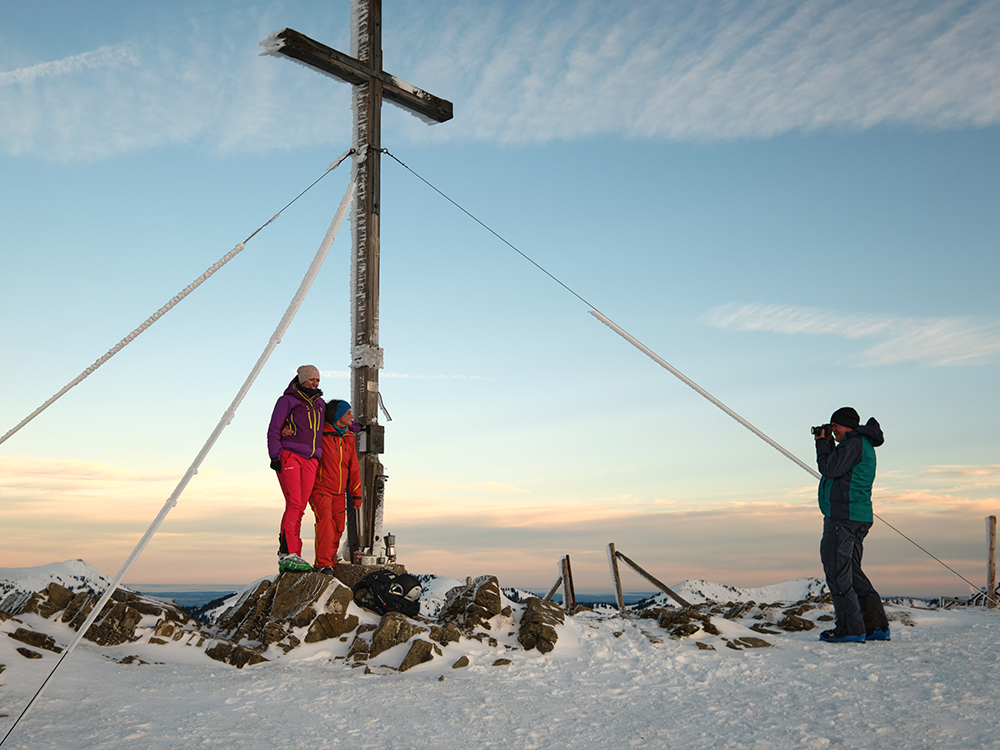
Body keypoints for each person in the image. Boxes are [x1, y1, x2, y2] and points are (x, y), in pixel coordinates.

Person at [814, 406, 891, 643]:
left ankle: (850, 628)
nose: (832, 430)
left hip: (843, 517)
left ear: (845, 425)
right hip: (856, 516)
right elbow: (839, 468)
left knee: (838, 571)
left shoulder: (854, 443)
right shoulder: (859, 444)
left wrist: (822, 443)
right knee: (852, 572)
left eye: (834, 426)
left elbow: (829, 468)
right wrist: (830, 443)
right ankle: (874, 625)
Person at [267, 365, 325, 572]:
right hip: (289, 455)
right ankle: (288, 553)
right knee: (293, 503)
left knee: (300, 506)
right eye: (311, 380)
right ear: (301, 379)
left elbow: (328, 426)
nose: (315, 383)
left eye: (317, 380)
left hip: (311, 459)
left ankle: (294, 554)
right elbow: (274, 428)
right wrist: (275, 455)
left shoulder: (320, 404)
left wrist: (354, 427)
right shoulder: (287, 401)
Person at [308, 399, 363, 575]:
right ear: (338, 415)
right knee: (325, 524)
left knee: (338, 527)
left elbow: (353, 467)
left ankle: (329, 564)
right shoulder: (320, 435)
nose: (352, 416)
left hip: (339, 493)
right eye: (348, 413)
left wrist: (356, 494)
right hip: (320, 489)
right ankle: (322, 564)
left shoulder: (348, 437)